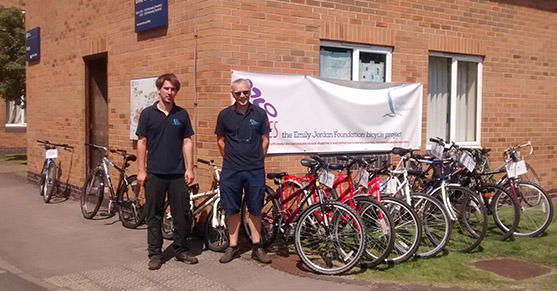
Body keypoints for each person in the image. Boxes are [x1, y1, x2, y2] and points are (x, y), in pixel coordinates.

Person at [136, 73, 198, 270]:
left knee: (181, 214)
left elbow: (187, 141)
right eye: (167, 88)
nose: (170, 92)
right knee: (154, 214)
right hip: (154, 173)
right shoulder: (147, 114)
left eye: (173, 89)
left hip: (178, 174)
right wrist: (141, 170)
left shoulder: (181, 114)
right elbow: (142, 142)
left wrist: (189, 168)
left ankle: (180, 249)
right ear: (159, 90)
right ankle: (155, 253)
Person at [215, 78, 272, 264]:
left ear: (250, 92)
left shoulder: (260, 114)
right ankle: (233, 246)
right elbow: (220, 140)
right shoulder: (224, 115)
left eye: (245, 92)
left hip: (255, 170)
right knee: (232, 209)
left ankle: (257, 247)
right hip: (231, 170)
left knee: (255, 209)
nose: (242, 96)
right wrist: (231, 158)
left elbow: (265, 139)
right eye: (238, 93)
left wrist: (257, 158)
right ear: (232, 94)